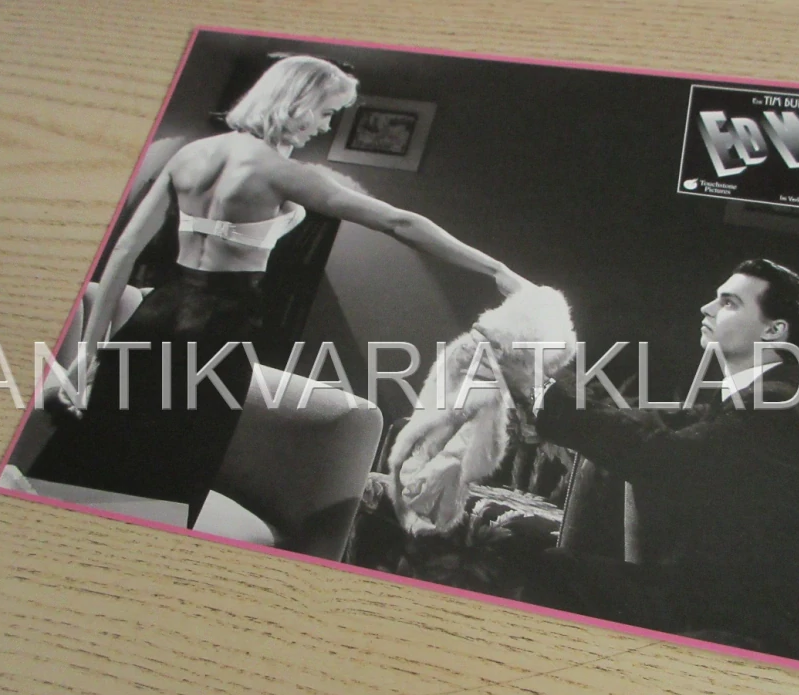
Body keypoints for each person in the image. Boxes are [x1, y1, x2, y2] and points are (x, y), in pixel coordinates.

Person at [26, 54, 527, 529]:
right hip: (216, 329)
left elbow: (122, 252)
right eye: (326, 112)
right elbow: (399, 223)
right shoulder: (279, 173)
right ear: (298, 102)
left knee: (94, 451)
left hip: (156, 314)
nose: (325, 126)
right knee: (169, 469)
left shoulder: (190, 155)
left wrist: (87, 356)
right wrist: (495, 267)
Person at [525, 258, 799, 677]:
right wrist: (546, 387)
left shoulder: (781, 407)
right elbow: (659, 424)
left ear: (774, 331)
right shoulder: (766, 394)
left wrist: (543, 398)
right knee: (557, 571)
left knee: (563, 584)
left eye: (729, 302)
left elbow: (663, 456)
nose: (706, 308)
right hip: (733, 603)